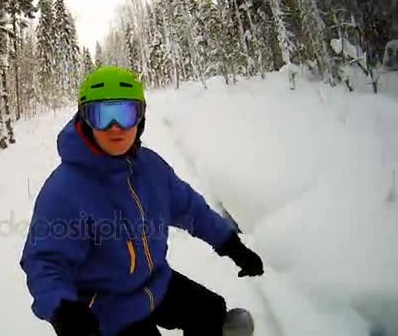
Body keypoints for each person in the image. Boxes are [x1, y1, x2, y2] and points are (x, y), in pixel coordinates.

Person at [19, 66, 264, 336]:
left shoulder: (151, 168)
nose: (115, 128)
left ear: (141, 118)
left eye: (125, 114)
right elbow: (45, 261)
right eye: (102, 116)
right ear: (86, 120)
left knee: (210, 309)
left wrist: (230, 244)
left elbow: (190, 209)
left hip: (155, 281)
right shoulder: (64, 191)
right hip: (107, 307)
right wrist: (64, 310)